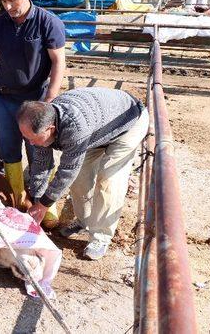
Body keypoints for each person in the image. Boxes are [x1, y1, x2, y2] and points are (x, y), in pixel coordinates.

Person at [17, 87, 148, 260]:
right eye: (26, 137)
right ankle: (83, 221)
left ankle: (100, 236)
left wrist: (43, 206)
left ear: (50, 128)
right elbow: (41, 166)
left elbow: (67, 171)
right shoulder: (43, 122)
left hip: (127, 123)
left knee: (108, 180)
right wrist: (36, 199)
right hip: (97, 130)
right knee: (80, 179)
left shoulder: (75, 127)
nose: (30, 142)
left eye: (32, 138)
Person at [0, 0, 66, 214]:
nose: (8, 6)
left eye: (13, 0)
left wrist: (50, 99)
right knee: (9, 149)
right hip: (5, 97)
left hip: (36, 97)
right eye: (4, 1)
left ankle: (45, 203)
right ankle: (17, 197)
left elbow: (59, 62)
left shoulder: (48, 22)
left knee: (39, 151)